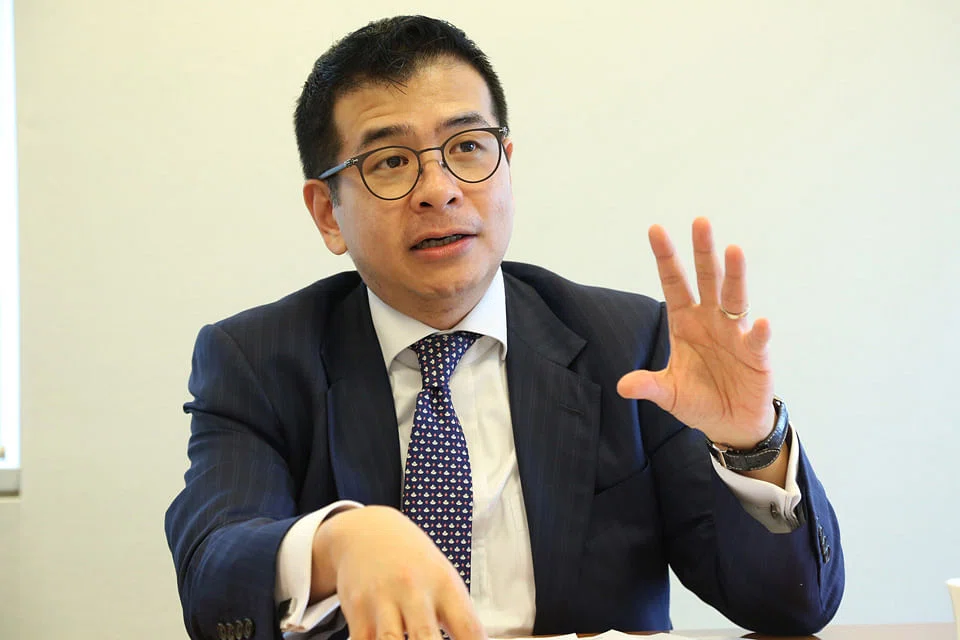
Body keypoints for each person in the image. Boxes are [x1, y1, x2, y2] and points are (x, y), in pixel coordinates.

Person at [165, 15, 844, 640]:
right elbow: (212, 576)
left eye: (467, 147)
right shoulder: (258, 360)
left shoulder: (630, 344)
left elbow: (790, 610)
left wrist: (752, 444)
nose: (439, 188)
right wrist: (338, 543)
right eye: (391, 161)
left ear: (507, 166)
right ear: (326, 213)